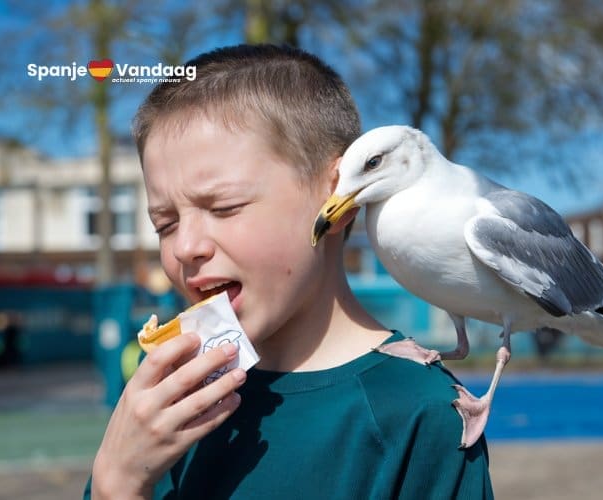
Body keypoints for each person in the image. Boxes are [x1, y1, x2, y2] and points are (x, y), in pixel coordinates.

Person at [86, 44, 493, 499]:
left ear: (336, 199)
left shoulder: (421, 413)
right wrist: (115, 482)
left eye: (224, 207)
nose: (185, 247)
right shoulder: (166, 393)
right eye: (165, 223)